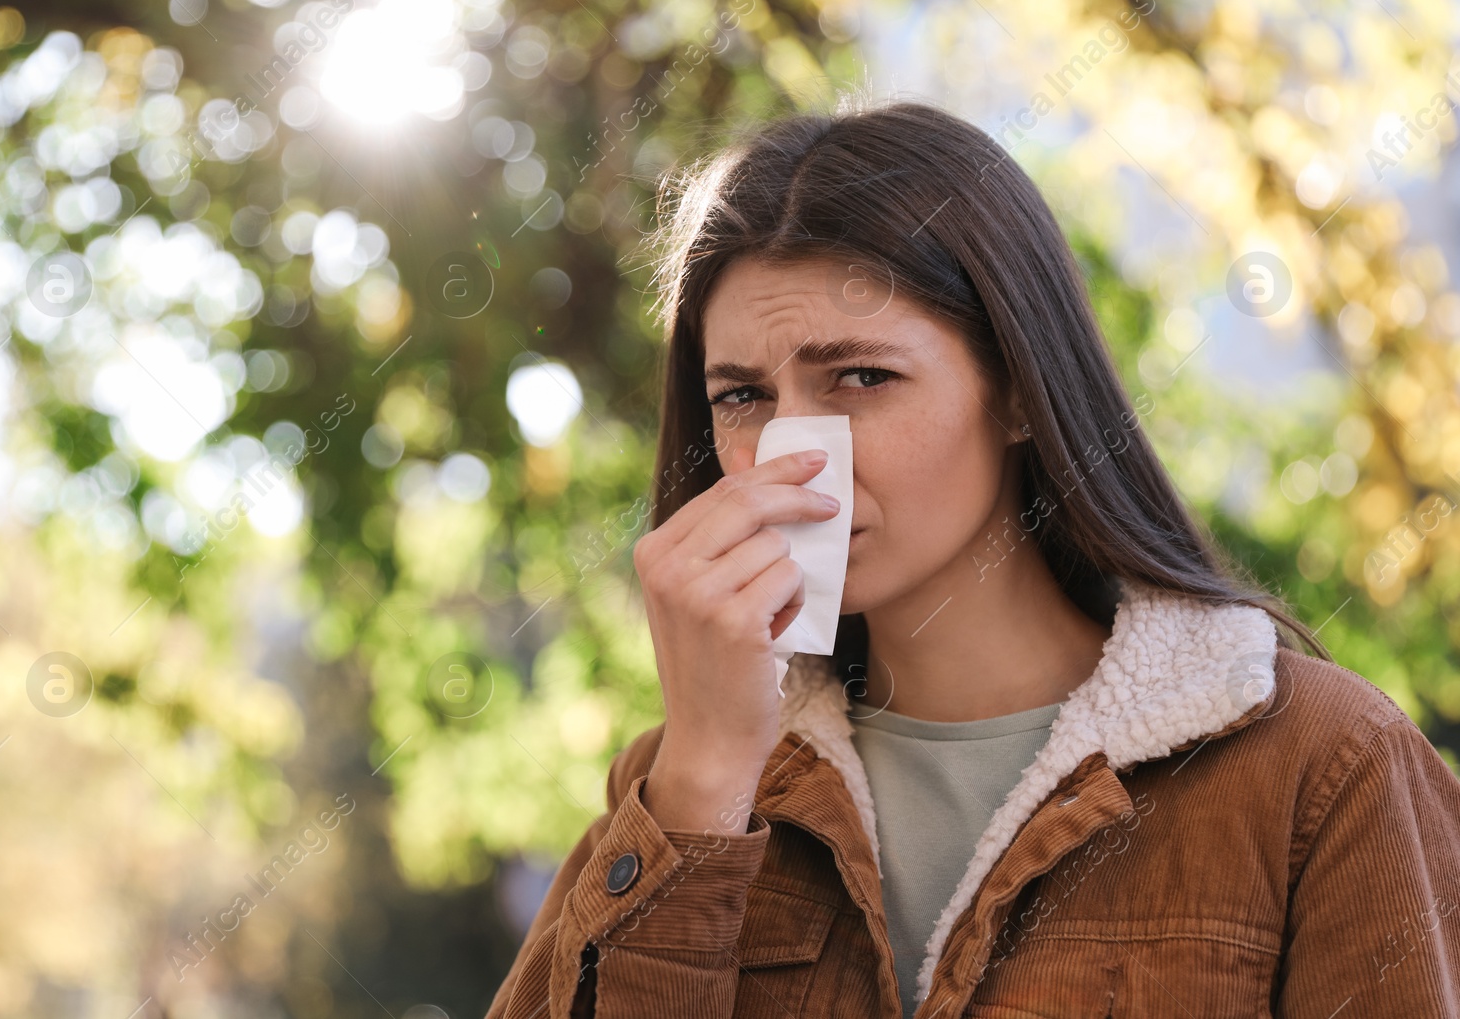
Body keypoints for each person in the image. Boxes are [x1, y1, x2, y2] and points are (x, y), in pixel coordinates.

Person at [484, 98, 1460, 1018]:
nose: (792, 452)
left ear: (1021, 391)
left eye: (861, 375)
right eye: (742, 395)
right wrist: (698, 795)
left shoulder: (1319, 765)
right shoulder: (672, 788)